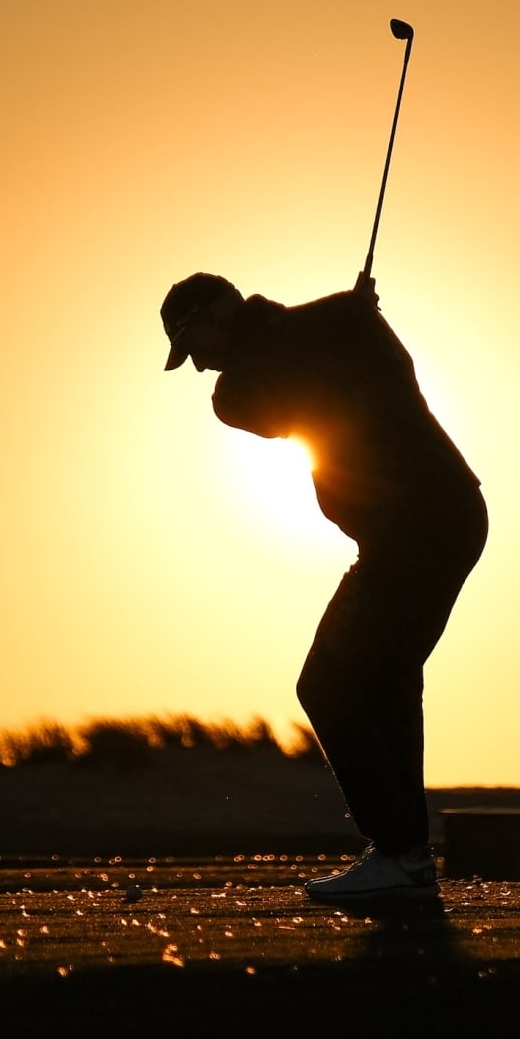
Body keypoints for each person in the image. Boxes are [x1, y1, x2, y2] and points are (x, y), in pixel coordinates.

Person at [159, 271, 487, 902]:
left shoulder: (326, 330)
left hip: (418, 527)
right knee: (387, 679)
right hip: (436, 520)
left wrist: (348, 314)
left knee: (328, 684)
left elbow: (304, 383)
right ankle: (406, 857)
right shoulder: (309, 340)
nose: (199, 365)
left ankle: (398, 851)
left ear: (217, 315)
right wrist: (348, 313)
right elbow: (269, 399)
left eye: (193, 345)